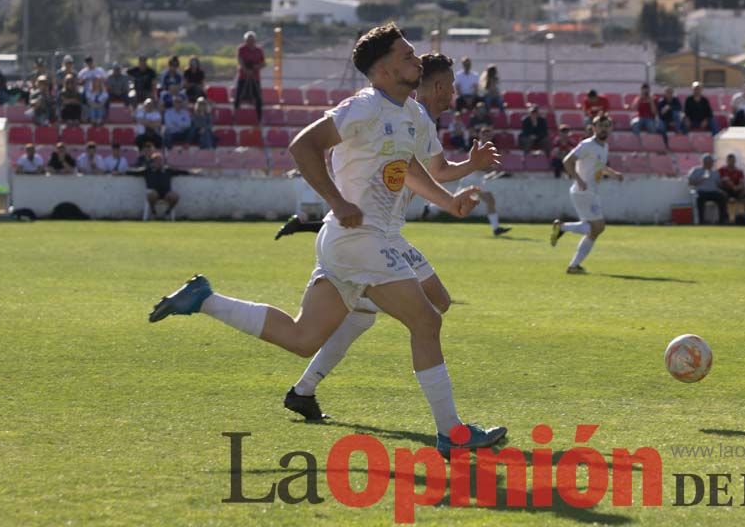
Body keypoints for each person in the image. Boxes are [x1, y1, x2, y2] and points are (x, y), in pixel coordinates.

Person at [149, 24, 506, 453]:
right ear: (385, 69)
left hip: (355, 240)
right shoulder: (365, 106)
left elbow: (411, 172)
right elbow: (303, 146)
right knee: (427, 320)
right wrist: (336, 201)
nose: (417, 62)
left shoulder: (409, 113)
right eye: (409, 56)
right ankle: (452, 432)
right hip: (361, 237)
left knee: (303, 339)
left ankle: (203, 299)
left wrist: (449, 204)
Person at [277, 51, 502, 419]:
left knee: (412, 308)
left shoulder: (414, 119)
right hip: (380, 236)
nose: (453, 98)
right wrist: (464, 176)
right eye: (448, 90)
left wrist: (462, 178)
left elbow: (425, 171)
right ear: (441, 87)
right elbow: (433, 171)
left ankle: (305, 387)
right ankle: (448, 425)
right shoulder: (407, 116)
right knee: (430, 311)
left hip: (387, 233)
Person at [551, 115, 622, 273]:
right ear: (594, 128)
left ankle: (574, 266)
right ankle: (562, 227)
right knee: (596, 227)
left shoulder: (604, 146)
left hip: (592, 191)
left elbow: (599, 166)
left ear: (611, 128)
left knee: (596, 230)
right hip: (583, 191)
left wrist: (613, 174)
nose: (604, 128)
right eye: (600, 125)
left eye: (607, 125)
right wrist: (579, 180)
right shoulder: (587, 144)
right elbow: (567, 161)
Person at [128, 140, 190, 219]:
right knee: (152, 194)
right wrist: (122, 172)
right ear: (153, 162)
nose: (159, 162)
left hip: (166, 193)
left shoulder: (167, 170)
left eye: (160, 160)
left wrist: (192, 172)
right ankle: (153, 210)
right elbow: (135, 172)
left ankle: (168, 211)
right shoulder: (148, 170)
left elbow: (180, 172)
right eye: (157, 161)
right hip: (154, 193)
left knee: (175, 196)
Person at [688, 154, 728, 225]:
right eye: (711, 162)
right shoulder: (696, 170)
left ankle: (722, 220)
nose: (712, 164)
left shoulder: (715, 172)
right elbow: (690, 183)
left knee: (722, 197)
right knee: (699, 199)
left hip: (713, 192)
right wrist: (702, 179)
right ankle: (701, 221)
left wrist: (723, 181)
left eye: (712, 162)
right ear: (705, 162)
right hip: (701, 192)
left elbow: (719, 184)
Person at [234, 31, 265, 118]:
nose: (250, 42)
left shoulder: (259, 50)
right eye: (248, 40)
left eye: (252, 40)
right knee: (238, 97)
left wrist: (255, 67)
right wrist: (246, 70)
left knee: (258, 98)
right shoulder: (241, 49)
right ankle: (235, 115)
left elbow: (263, 63)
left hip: (255, 78)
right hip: (243, 77)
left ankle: (259, 118)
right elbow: (240, 61)